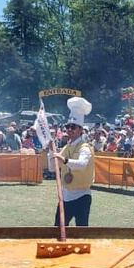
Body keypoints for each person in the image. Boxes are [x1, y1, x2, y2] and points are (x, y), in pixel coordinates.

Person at [50, 97, 95, 226]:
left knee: (81, 230)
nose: (69, 130)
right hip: (66, 195)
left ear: (80, 129)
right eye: (68, 127)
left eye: (73, 127)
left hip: (82, 196)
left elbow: (81, 165)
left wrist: (64, 159)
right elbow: (53, 168)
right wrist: (50, 152)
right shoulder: (66, 147)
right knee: (58, 228)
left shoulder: (85, 147)